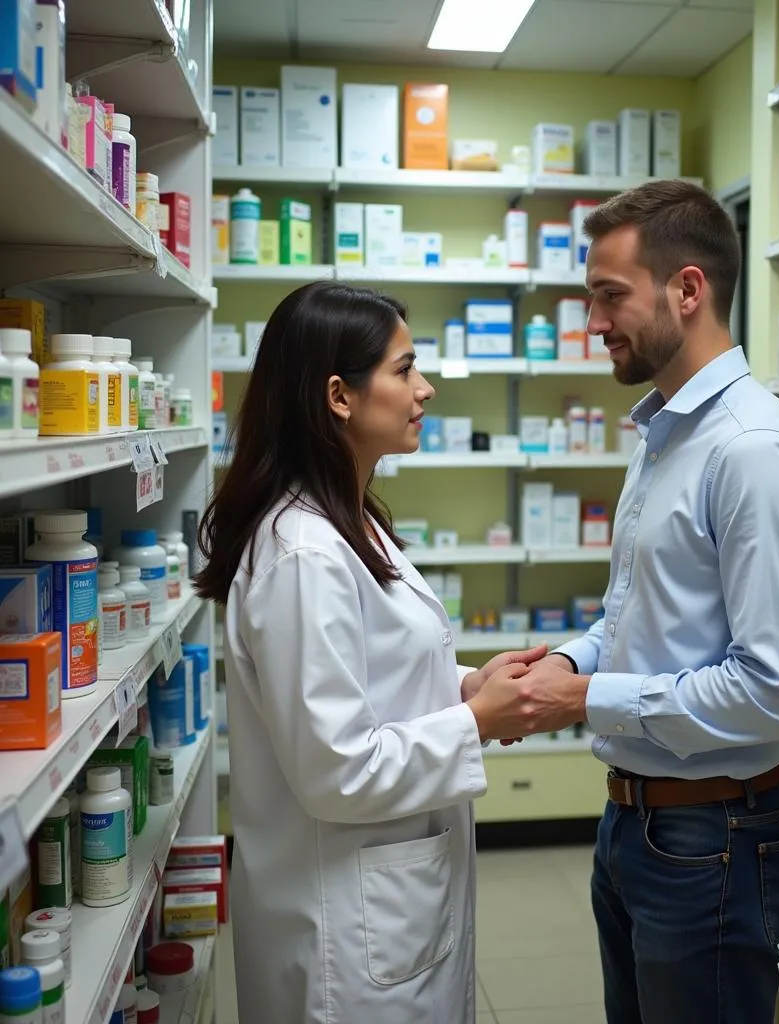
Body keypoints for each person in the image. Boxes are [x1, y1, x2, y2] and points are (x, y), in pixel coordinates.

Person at [194, 281, 584, 1024]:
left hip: (386, 900)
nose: (424, 389)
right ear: (339, 396)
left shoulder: (348, 518)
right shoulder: (303, 553)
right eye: (405, 370)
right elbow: (336, 769)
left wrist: (469, 684)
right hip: (344, 928)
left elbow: (375, 672)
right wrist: (473, 722)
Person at [501, 181, 779, 1023]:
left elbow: (768, 694)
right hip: (636, 824)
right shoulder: (667, 433)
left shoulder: (751, 452)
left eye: (609, 295)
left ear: (687, 290)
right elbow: (635, 616)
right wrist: (560, 666)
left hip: (715, 837)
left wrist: (583, 697)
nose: (592, 321)